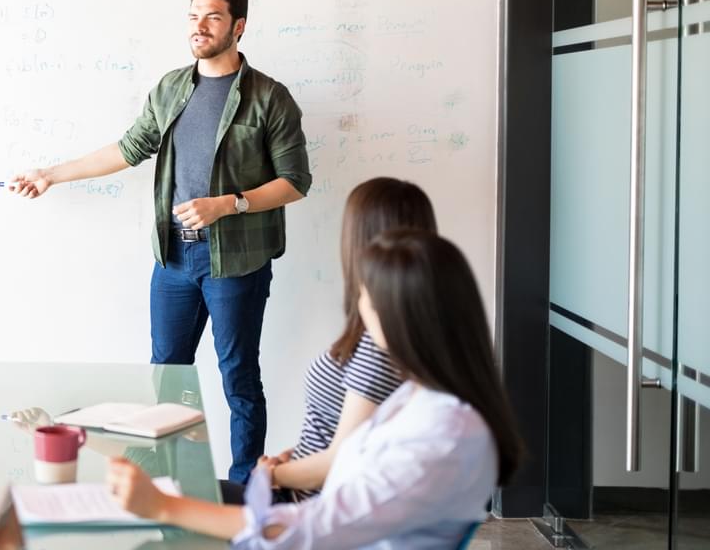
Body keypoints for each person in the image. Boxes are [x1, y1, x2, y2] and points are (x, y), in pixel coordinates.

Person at [10, 0, 311, 483]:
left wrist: (228, 204)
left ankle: (243, 493)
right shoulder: (172, 88)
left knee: (238, 378)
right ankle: (179, 482)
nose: (200, 26)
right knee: (169, 375)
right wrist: (50, 174)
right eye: (193, 16)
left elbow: (295, 182)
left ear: (237, 26)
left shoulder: (269, 98)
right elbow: (126, 150)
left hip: (235, 261)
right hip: (172, 260)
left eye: (212, 17)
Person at [107, 231, 522, 548]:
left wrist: (165, 506)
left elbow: (315, 527)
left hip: (307, 527)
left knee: (155, 528)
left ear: (394, 314)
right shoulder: (424, 400)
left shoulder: (443, 433)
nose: (358, 306)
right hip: (302, 515)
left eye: (364, 296)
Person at [249, 177, 435, 503]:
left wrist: (271, 475)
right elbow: (344, 436)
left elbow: (341, 458)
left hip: (306, 509)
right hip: (302, 487)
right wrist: (292, 458)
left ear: (359, 241)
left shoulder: (379, 347)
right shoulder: (396, 333)